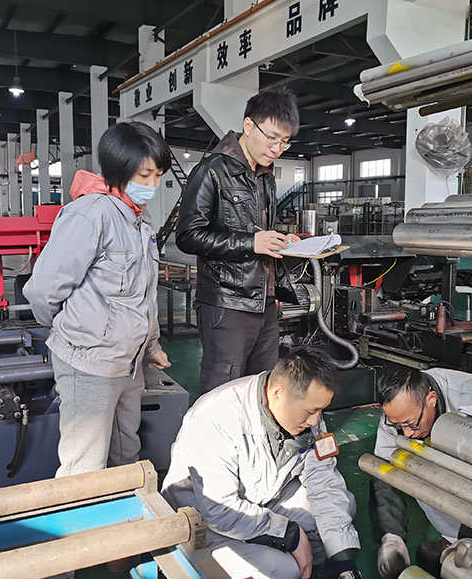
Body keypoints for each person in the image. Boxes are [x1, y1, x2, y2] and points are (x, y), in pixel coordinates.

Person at [24, 121, 171, 478]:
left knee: (125, 455)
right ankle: (83, 516)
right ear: (119, 170)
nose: (152, 185)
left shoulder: (140, 220)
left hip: (129, 364)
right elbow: (43, 290)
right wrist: (75, 332)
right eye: (145, 175)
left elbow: (143, 293)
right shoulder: (90, 215)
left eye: (158, 175)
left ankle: (121, 513)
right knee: (84, 468)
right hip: (89, 364)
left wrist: (151, 344)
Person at [161, 348, 362, 579]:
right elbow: (218, 510)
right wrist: (289, 534)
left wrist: (343, 563)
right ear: (278, 393)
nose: (316, 421)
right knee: (281, 568)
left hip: (260, 500)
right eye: (311, 411)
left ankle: (314, 570)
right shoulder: (217, 417)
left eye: (321, 411)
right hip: (204, 522)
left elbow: (324, 483)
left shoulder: (305, 413)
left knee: (341, 505)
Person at [176, 89, 301, 394]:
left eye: (284, 142)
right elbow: (188, 235)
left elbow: (255, 229)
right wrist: (251, 243)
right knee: (224, 392)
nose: (277, 148)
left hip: (264, 303)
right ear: (248, 125)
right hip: (227, 303)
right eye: (271, 138)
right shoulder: (211, 171)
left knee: (262, 389)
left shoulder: (265, 176)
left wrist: (281, 240)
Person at [372, 367, 472, 578]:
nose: (407, 433)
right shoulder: (399, 412)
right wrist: (391, 534)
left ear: (432, 399)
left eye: (411, 424)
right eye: (399, 426)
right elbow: (384, 470)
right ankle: (452, 537)